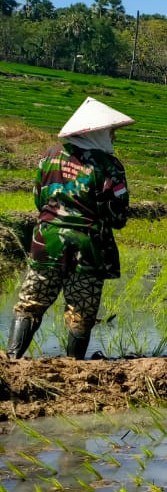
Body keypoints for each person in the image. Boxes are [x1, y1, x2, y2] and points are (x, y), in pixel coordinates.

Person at [7, 97, 134, 360]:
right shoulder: (110, 167)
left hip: (46, 242)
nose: (113, 137)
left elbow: (38, 198)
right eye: (111, 132)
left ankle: (11, 360)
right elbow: (118, 214)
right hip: (86, 248)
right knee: (80, 311)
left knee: (31, 302)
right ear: (97, 132)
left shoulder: (50, 156)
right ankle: (74, 367)